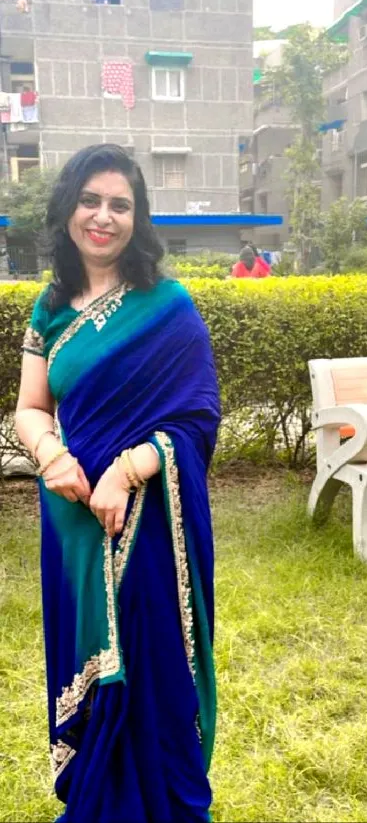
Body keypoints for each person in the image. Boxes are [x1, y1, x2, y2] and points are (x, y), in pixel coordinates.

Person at [15, 144, 221, 823]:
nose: (103, 217)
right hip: (71, 517)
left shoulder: (166, 304)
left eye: (120, 205)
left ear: (139, 217)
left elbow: (197, 415)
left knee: (150, 662)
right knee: (88, 665)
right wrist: (50, 455)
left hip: (144, 518)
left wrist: (128, 469)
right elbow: (30, 407)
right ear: (68, 208)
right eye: (90, 200)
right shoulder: (49, 305)